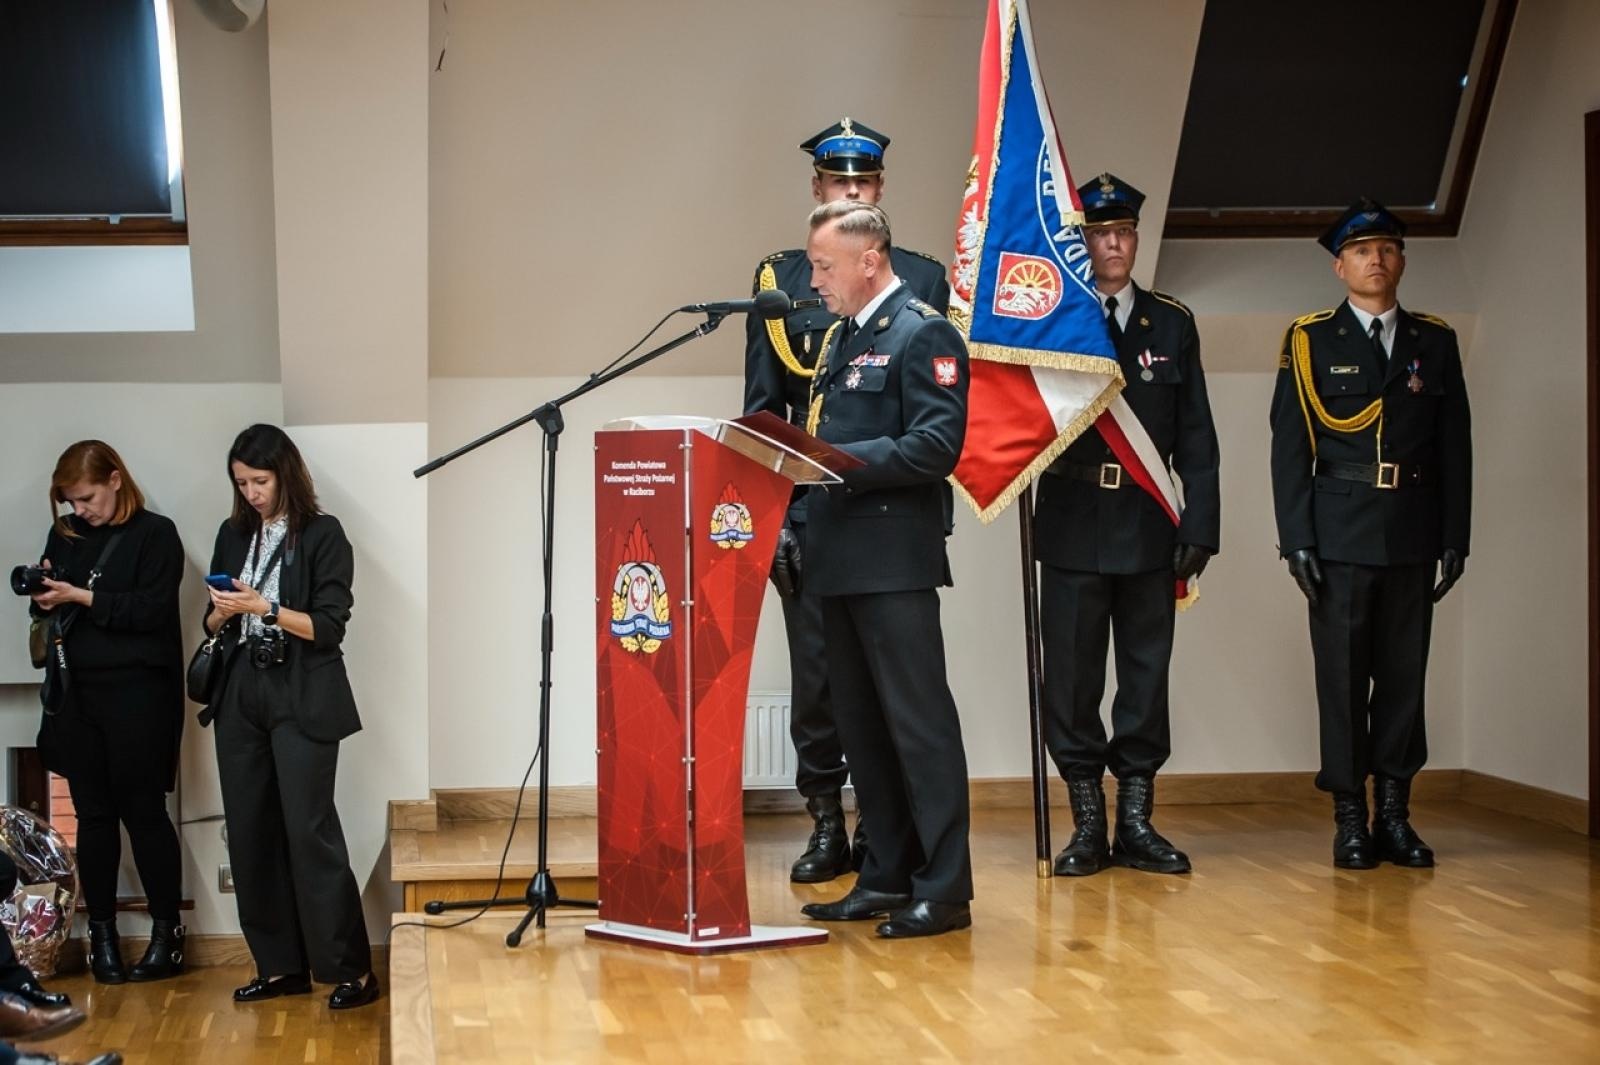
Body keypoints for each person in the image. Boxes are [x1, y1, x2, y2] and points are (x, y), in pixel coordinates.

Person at [744, 117, 950, 883]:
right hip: (807, 513)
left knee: (895, 690)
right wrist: (776, 518)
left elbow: (929, 417)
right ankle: (827, 820)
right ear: (818, 189)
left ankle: (888, 839)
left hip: (886, 516)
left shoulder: (921, 283)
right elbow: (766, 406)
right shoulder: (782, 279)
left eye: (865, 182)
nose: (853, 190)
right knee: (820, 683)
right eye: (840, 182)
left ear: (881, 193)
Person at [1269, 198, 1471, 869]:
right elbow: (1291, 448)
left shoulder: (1433, 342)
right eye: (1361, 251)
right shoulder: (1310, 340)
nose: (1375, 260)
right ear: (1339, 266)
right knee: (1344, 679)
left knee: (1406, 679)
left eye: (1386, 249)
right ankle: (1350, 816)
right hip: (1339, 533)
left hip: (1412, 528)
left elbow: (1455, 446)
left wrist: (1455, 536)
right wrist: (1296, 538)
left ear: (1402, 261)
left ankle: (1395, 813)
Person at [793, 201, 972, 939]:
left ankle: (945, 888)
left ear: (871, 260)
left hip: (894, 563)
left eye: (825, 265)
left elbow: (937, 445)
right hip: (839, 561)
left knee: (918, 728)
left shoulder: (922, 331)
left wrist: (838, 462)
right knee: (863, 730)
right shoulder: (844, 337)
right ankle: (886, 873)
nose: (814, 278)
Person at [1034, 174, 1221, 877]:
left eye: (1125, 233)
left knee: (1144, 677)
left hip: (1148, 525)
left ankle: (1136, 820)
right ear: (1082, 243)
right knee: (1074, 681)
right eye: (1100, 233)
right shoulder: (1057, 322)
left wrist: (1201, 521)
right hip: (1074, 523)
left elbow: (1197, 435)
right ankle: (1087, 822)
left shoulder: (1171, 322)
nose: (1114, 244)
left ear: (1137, 238)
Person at [199, 424, 378, 1009]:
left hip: (300, 687)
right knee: (249, 831)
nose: (250, 492)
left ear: (286, 474)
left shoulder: (323, 535)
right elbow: (208, 622)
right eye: (241, 482)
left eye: (259, 480)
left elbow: (328, 626)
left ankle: (350, 970)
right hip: (239, 690)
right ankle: (280, 967)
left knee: (309, 830)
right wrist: (225, 612)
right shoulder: (232, 534)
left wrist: (265, 607)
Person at [25, 441, 185, 983]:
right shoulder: (65, 535)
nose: (80, 511)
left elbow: (151, 610)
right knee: (92, 817)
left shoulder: (156, 535)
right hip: (78, 696)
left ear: (116, 479)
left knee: (144, 814)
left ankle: (167, 938)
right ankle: (102, 938)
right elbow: (51, 607)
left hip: (141, 697)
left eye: (87, 497)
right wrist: (47, 597)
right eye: (70, 501)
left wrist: (83, 597)